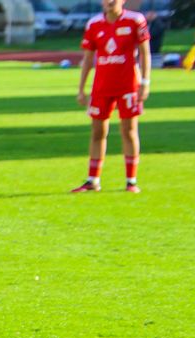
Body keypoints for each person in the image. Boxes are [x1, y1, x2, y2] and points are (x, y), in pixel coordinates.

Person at [71, 0, 150, 194]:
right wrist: (81, 88)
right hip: (101, 87)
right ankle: (93, 180)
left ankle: (131, 181)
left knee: (129, 130)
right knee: (97, 131)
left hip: (128, 85)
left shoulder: (135, 21)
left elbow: (144, 52)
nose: (109, 1)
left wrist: (145, 83)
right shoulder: (94, 24)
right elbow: (88, 58)